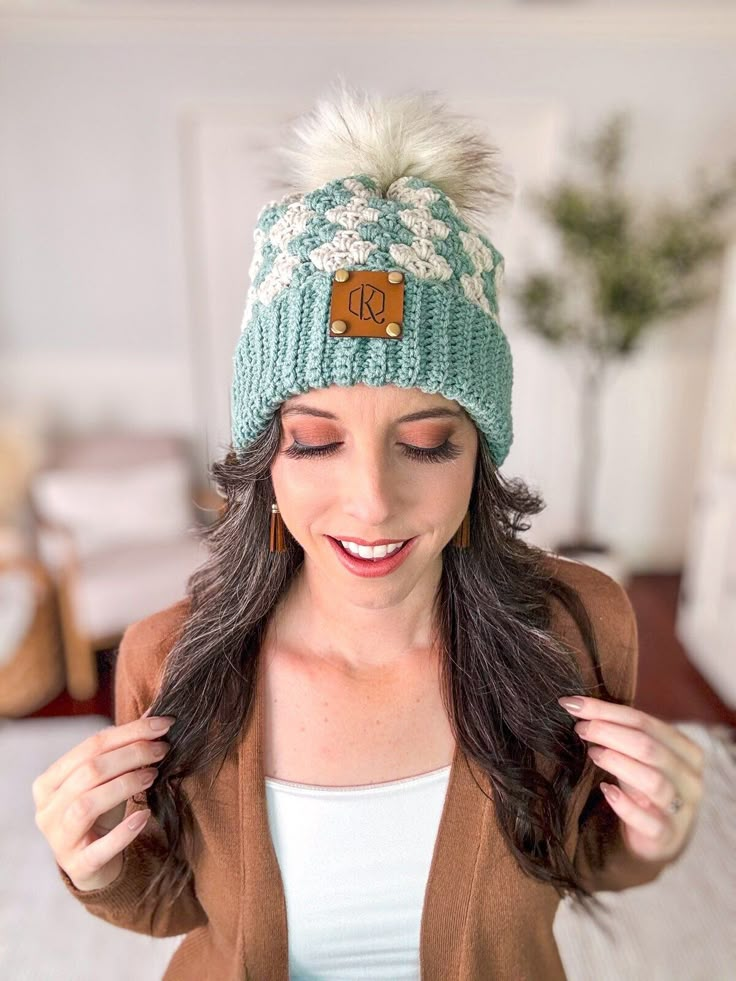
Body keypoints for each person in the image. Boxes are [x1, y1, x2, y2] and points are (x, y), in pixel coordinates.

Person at [35, 81, 704, 981]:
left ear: (481, 455)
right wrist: (97, 866)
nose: (371, 502)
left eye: (426, 444)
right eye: (315, 442)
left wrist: (649, 837)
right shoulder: (172, 658)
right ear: (264, 456)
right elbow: (178, 902)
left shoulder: (579, 629)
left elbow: (581, 857)